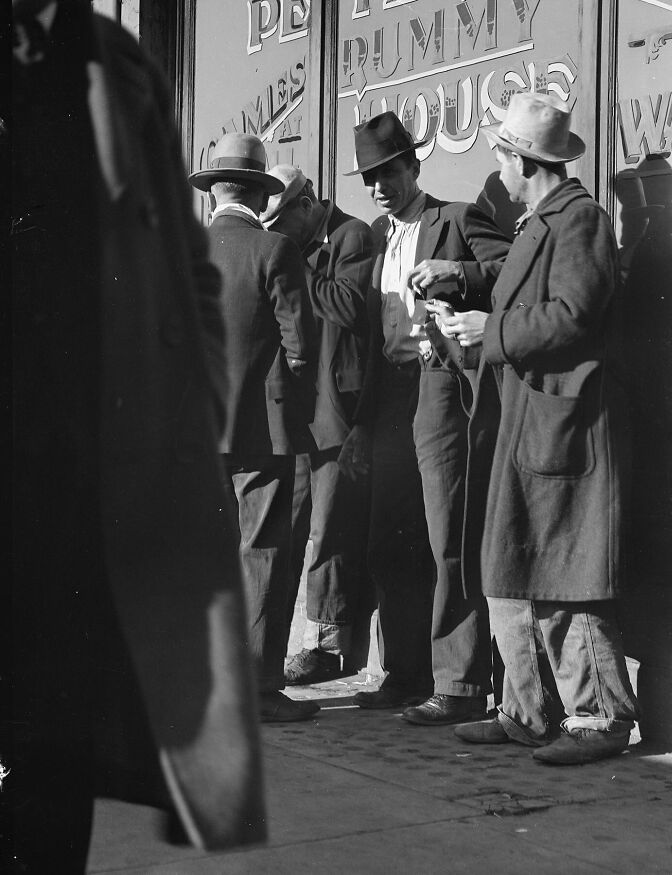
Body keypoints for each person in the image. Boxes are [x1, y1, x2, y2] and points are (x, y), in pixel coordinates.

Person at [10, 1, 264, 871]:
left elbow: (180, 268)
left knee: (54, 739)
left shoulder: (116, 66)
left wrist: (185, 416)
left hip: (78, 471)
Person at [450, 91, 640, 763]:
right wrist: (467, 282)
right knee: (509, 567)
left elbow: (572, 313)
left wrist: (487, 329)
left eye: (501, 155)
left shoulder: (579, 219)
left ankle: (600, 718)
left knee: (565, 573)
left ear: (520, 159)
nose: (497, 170)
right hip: (531, 419)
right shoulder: (546, 219)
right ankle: (527, 709)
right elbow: (526, 285)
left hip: (563, 421)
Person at [339, 111, 511, 724]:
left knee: (447, 538)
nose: (380, 186)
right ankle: (405, 673)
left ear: (414, 166)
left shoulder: (458, 219)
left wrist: (457, 272)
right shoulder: (374, 239)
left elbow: (516, 273)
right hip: (389, 398)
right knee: (391, 540)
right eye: (370, 177)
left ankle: (459, 685)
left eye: (388, 172)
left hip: (440, 389)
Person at [189, 134, 320, 723]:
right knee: (261, 551)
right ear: (259, 190)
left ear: (214, 191)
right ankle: (260, 691)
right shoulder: (275, 250)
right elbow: (300, 344)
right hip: (261, 429)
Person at [260, 166, 373, 685]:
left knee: (328, 531)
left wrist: (292, 266)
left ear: (307, 205)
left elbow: (348, 305)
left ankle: (325, 648)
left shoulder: (352, 234)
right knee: (288, 530)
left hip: (337, 412)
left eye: (282, 225)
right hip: (297, 415)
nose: (278, 238)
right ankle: (268, 650)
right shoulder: (292, 246)